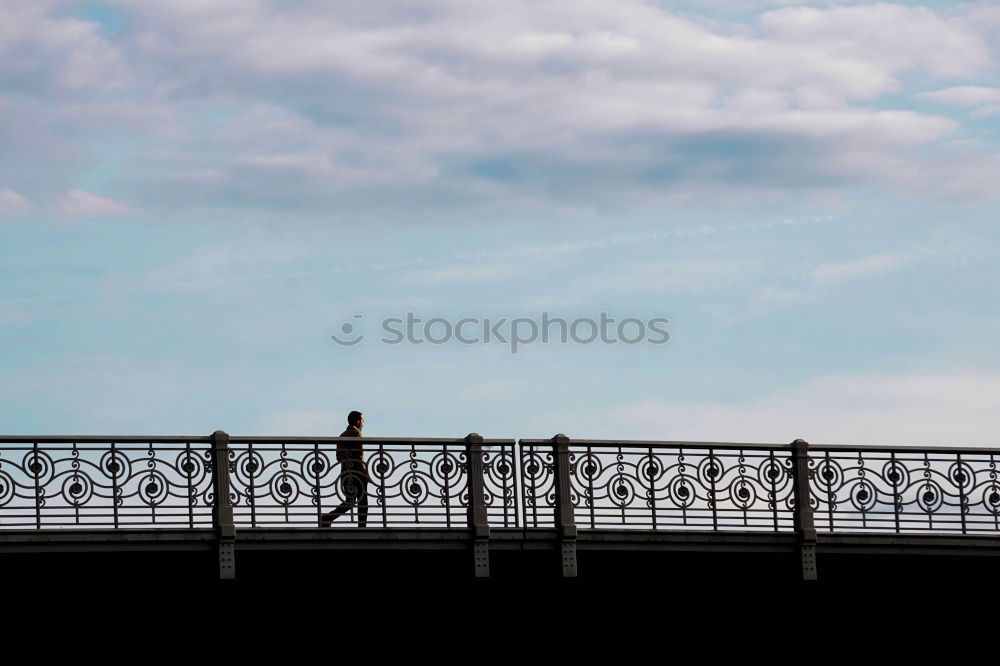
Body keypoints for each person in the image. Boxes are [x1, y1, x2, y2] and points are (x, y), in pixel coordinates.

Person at [320, 411, 369, 528]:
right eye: (362, 420)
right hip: (357, 473)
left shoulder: (341, 436)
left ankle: (327, 518)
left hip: (346, 473)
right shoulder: (357, 434)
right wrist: (365, 475)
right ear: (358, 421)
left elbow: (338, 457)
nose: (363, 423)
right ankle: (362, 528)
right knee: (363, 503)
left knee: (350, 501)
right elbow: (359, 456)